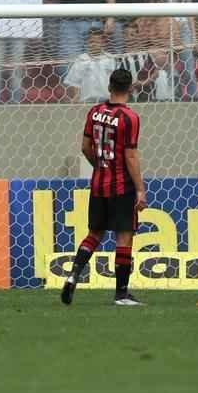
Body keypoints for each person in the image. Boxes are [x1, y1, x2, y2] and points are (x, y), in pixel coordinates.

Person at [60, 68, 147, 306]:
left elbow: (85, 147)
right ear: (130, 89)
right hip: (121, 186)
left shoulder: (95, 112)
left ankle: (73, 275)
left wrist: (99, 166)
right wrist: (140, 188)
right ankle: (121, 294)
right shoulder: (130, 118)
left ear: (109, 87)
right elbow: (130, 156)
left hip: (99, 184)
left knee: (94, 234)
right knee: (124, 238)